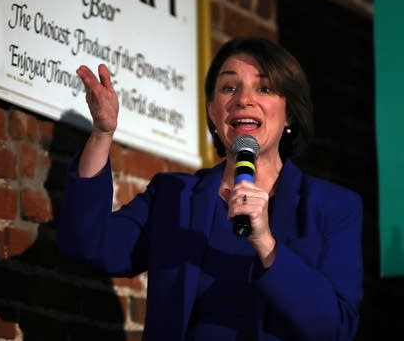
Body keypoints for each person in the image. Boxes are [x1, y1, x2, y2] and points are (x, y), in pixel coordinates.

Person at [57, 37, 363, 341]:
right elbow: (89, 245)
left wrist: (266, 244)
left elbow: (335, 329)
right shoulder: (173, 196)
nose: (243, 99)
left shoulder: (333, 208)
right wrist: (102, 133)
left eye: (264, 88)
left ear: (290, 114)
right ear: (213, 112)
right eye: (229, 88)